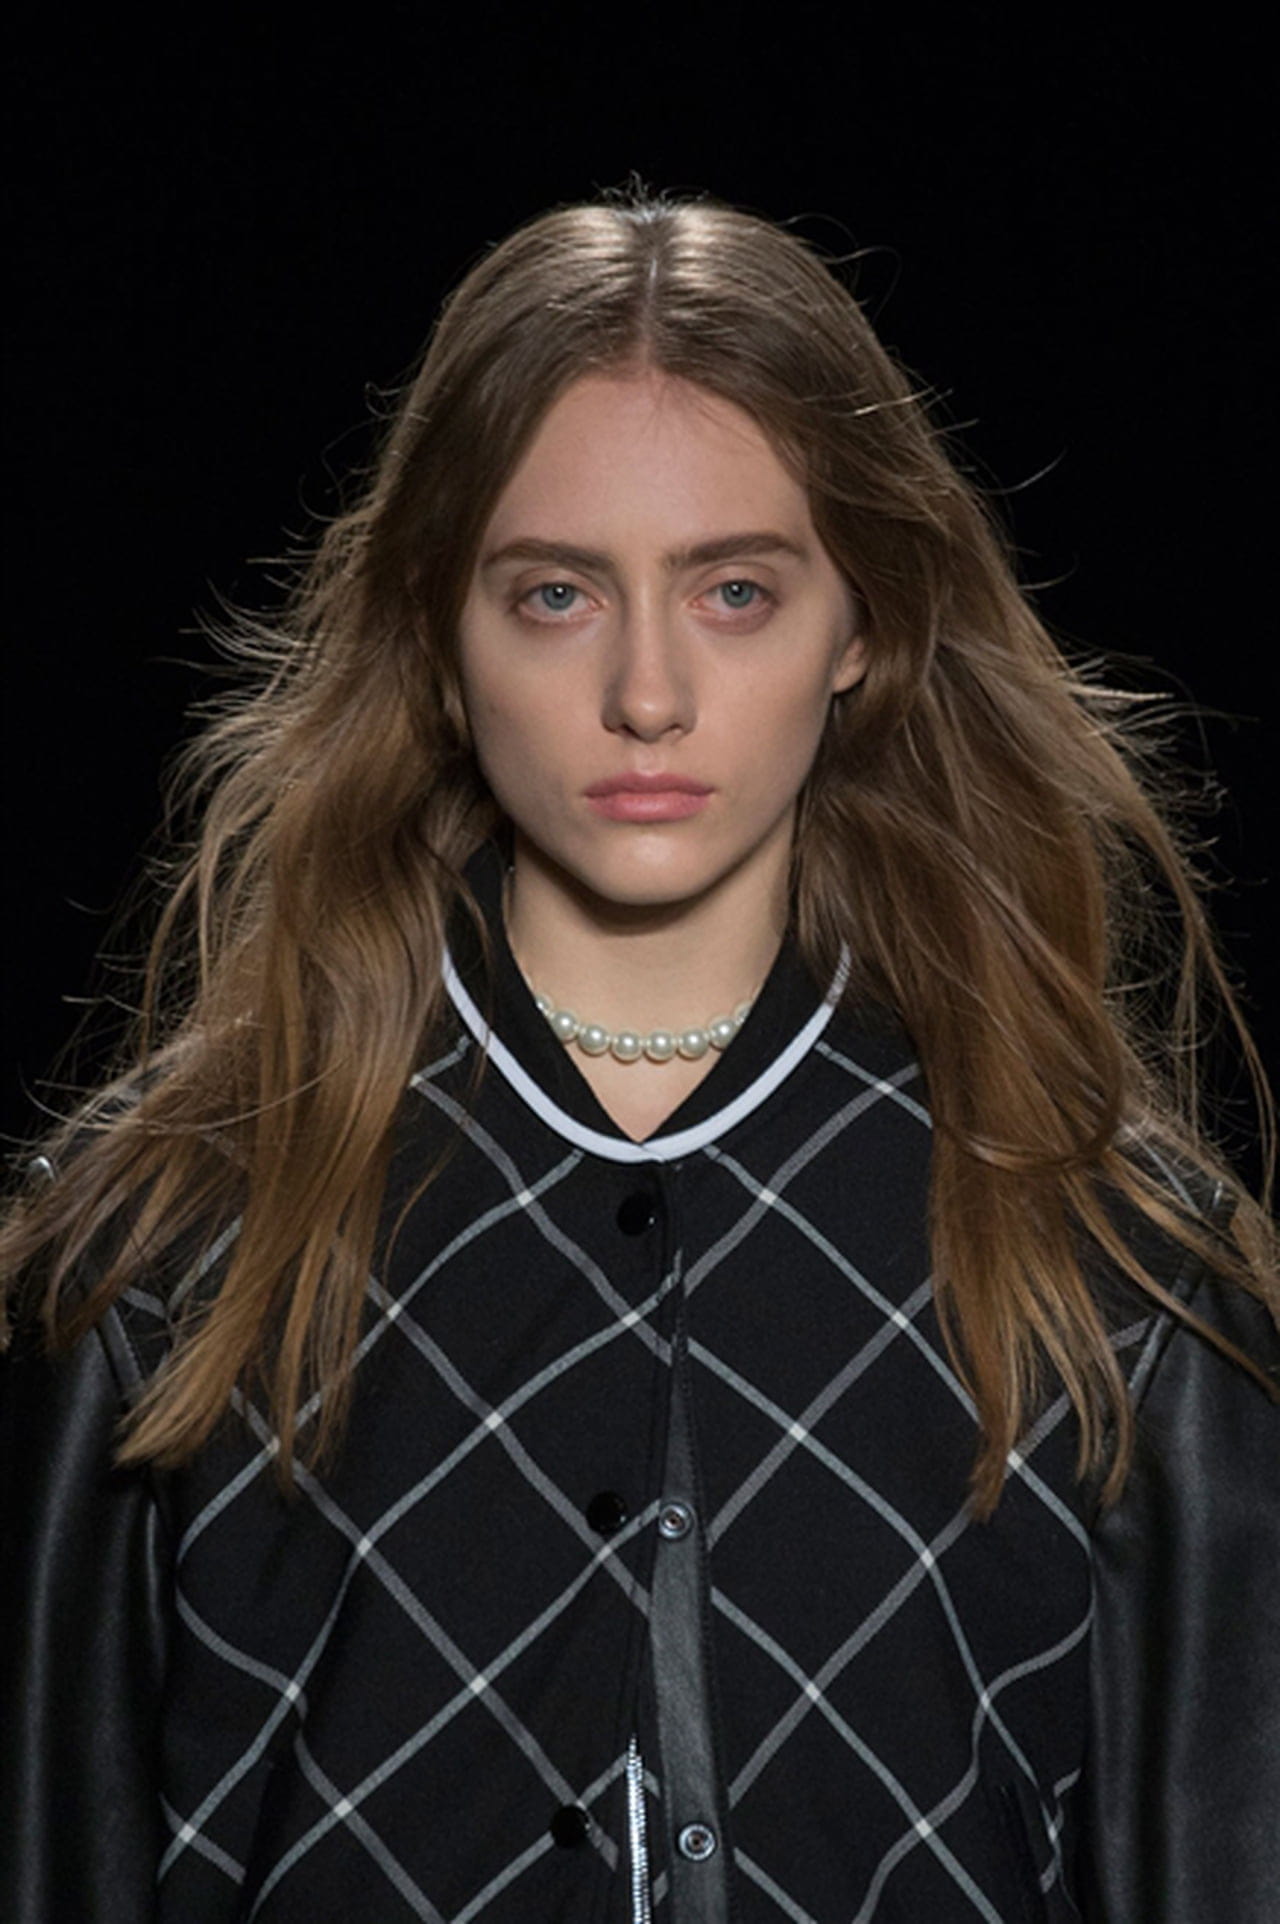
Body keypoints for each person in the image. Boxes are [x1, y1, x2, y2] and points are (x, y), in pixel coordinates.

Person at [1, 183, 1276, 1924]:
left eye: (736, 590)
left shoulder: (1114, 1266)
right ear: (439, 636)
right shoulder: (165, 1244)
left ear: (866, 627)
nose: (650, 694)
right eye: (555, 595)